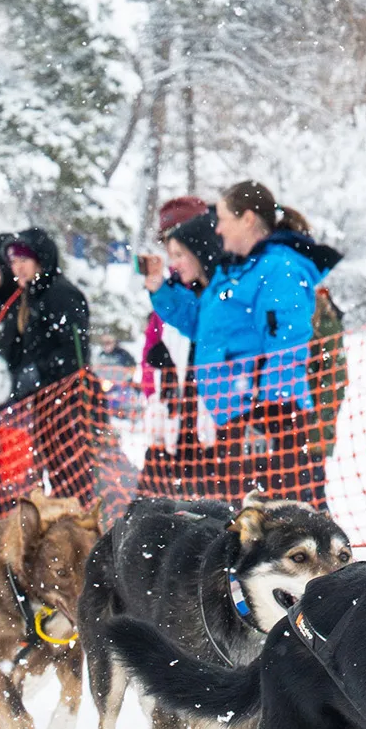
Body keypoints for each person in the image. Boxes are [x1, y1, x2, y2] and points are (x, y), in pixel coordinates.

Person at [142, 181, 341, 505]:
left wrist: (268, 417)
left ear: (247, 220)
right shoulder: (234, 271)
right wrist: (160, 291)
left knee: (285, 524)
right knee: (245, 529)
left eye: (223, 219)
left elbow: (285, 347)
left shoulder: (279, 268)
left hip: (267, 421)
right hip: (232, 415)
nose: (218, 229)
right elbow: (202, 326)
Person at [137, 205, 223, 498]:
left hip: (208, 412)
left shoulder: (216, 286)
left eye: (176, 245)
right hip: (174, 406)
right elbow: (151, 347)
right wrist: (152, 392)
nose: (172, 257)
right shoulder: (176, 285)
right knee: (156, 498)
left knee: (207, 499)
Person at [0, 228, 92, 399]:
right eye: (13, 262)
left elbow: (75, 350)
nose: (18, 268)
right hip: (43, 401)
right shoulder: (28, 296)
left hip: (70, 399)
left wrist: (39, 372)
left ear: (40, 260)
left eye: (24, 260)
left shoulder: (61, 294)